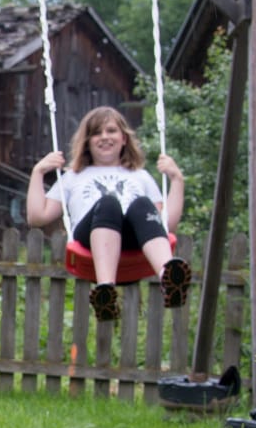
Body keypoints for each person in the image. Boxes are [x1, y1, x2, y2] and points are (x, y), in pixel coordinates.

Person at [24, 105, 192, 322]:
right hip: (90, 240)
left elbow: (165, 225)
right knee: (108, 203)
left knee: (142, 204)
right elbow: (37, 217)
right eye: (96, 133)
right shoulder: (73, 177)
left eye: (111, 131)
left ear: (124, 139)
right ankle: (105, 291)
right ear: (87, 142)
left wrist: (177, 180)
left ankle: (168, 277)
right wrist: (38, 171)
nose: (104, 137)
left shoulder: (140, 176)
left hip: (133, 242)